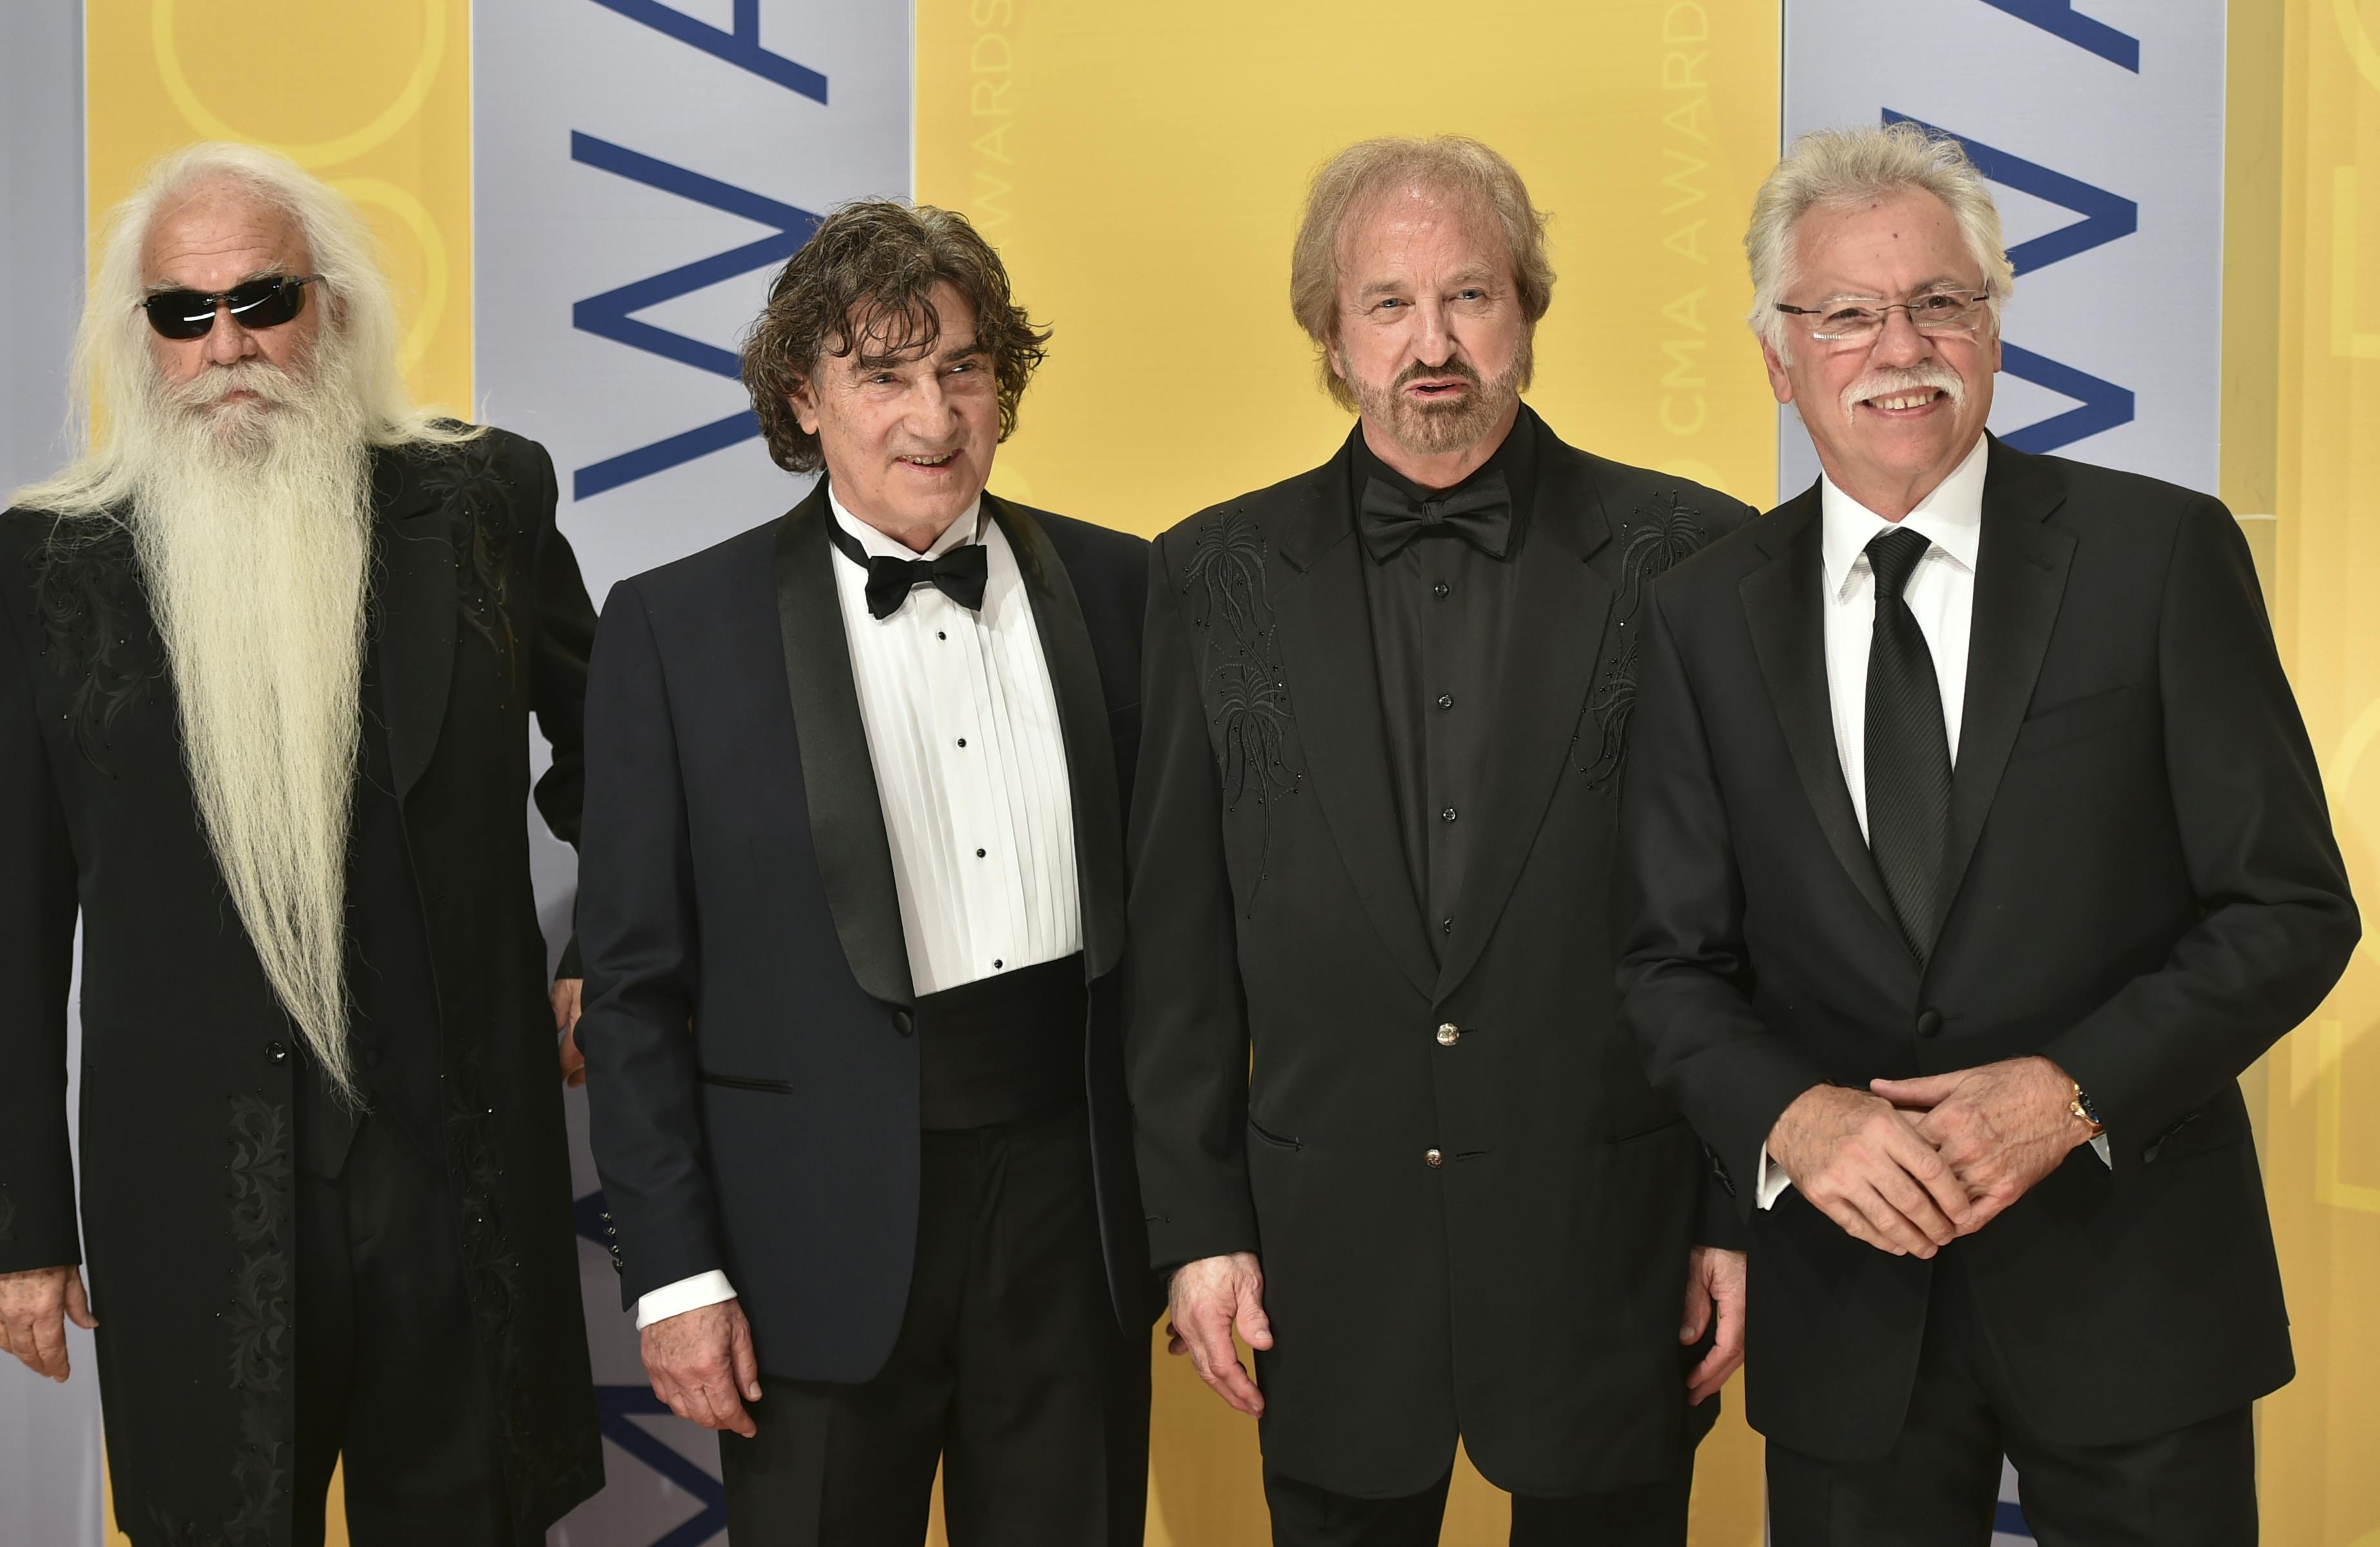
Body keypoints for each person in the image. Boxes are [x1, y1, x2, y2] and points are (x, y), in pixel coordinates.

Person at [1618, 120, 2359, 1546]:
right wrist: (1797, 1116)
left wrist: (2072, 1089)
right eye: (1847, 313)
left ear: (1994, 331)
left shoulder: (2160, 557)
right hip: (1850, 1310)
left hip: (2136, 1292)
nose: (1901, 344)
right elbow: (1665, 961)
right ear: (1781, 357)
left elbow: (2290, 907)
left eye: (1941, 302)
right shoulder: (1698, 618)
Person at [1127, 136, 1755, 1546]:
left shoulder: (1699, 555)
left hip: (1617, 1249)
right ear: (1330, 334)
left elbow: (1742, 926)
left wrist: (1734, 1207)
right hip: (1327, 1261)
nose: (1433, 345)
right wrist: (1198, 1227)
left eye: (1470, 296)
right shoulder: (1208, 576)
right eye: (1388, 304)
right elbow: (1178, 949)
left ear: (1528, 309)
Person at [0, 142, 601, 1546]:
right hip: (186, 1193)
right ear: (141, 340)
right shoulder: (45, 569)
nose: (227, 347)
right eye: (182, 314)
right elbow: (14, 918)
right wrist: (25, 1225)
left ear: (328, 307)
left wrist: (615, 952)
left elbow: (628, 754)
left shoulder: (487, 501)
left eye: (262, 300)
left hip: (461, 1176)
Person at [576, 199, 1158, 1546]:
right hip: (807, 1247)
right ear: (804, 397)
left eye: (960, 367)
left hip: (1076, 1224)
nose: (932, 417)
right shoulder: (676, 630)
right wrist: (673, 1277)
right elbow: (632, 987)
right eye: (882, 374)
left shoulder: (1132, 592)